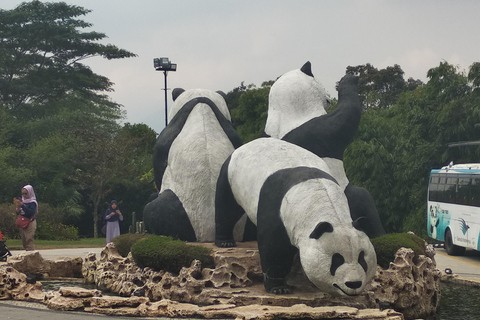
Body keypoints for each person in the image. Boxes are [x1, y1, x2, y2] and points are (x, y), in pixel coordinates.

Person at [14, 185, 38, 251]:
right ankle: (26, 253)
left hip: (30, 222)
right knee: (24, 240)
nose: (24, 195)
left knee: (29, 239)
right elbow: (18, 213)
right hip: (22, 222)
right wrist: (18, 209)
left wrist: (23, 206)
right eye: (23, 193)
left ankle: (31, 254)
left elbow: (31, 212)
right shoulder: (22, 201)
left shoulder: (32, 202)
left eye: (26, 193)